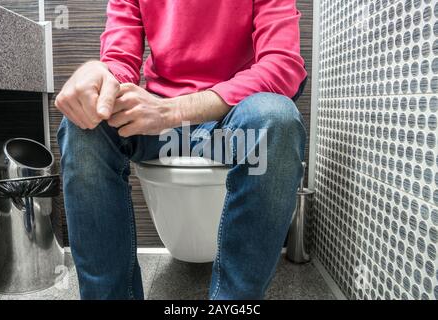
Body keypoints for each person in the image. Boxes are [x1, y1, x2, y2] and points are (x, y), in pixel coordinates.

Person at [55, 0, 308, 300]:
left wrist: (172, 111)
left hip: (230, 115)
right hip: (158, 123)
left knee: (276, 119)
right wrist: (99, 76)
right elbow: (119, 61)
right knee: (84, 124)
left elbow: (282, 65)